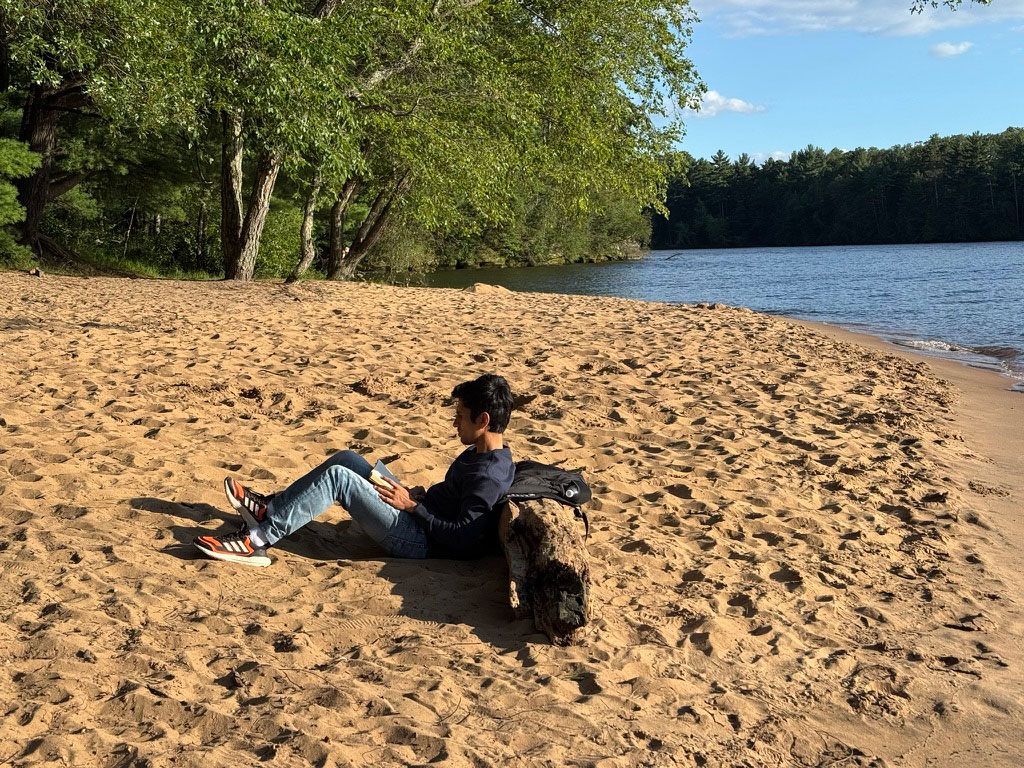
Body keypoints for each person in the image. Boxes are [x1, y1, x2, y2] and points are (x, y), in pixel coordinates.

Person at [193, 374, 515, 567]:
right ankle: (271, 509)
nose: (454, 421)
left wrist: (413, 507)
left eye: (461, 415)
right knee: (347, 458)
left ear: (483, 421)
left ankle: (258, 540)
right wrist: (421, 497)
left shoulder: (488, 477)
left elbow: (464, 539)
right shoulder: (483, 452)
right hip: (419, 513)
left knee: (339, 480)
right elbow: (456, 501)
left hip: (420, 542)